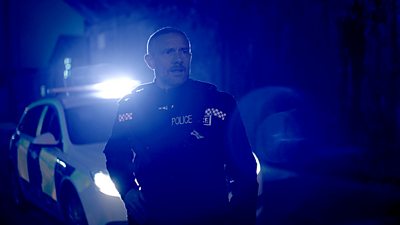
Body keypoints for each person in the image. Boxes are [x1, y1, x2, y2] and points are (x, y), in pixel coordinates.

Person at [103, 27, 258, 225]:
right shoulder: (132, 105)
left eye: (184, 51)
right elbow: (115, 154)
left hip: (209, 215)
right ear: (150, 61)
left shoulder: (216, 102)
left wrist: (242, 215)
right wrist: (127, 190)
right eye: (169, 52)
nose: (179, 59)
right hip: (154, 215)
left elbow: (244, 165)